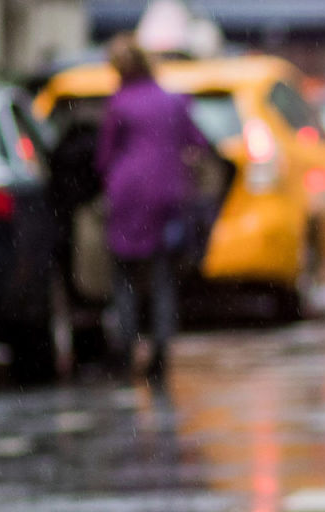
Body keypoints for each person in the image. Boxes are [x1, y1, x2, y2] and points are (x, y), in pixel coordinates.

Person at [95, 33, 209, 385]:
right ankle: (161, 351)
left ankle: (127, 347)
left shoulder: (119, 104)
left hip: (128, 195)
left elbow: (104, 156)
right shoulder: (174, 101)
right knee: (162, 276)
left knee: (125, 275)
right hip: (167, 194)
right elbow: (198, 144)